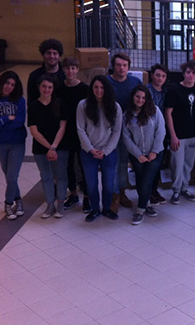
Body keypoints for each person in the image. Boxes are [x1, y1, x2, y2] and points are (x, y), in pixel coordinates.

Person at [76, 76, 122, 222]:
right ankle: (95, 209)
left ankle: (107, 209)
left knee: (108, 185)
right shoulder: (83, 105)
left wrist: (106, 151)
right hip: (88, 152)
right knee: (91, 185)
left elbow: (116, 132)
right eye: (96, 87)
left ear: (107, 89)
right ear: (92, 89)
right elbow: (80, 129)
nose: (99, 90)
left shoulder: (115, 107)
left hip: (108, 152)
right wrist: (90, 149)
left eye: (102, 87)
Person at [0, 71, 27, 220]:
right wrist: (7, 118)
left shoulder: (20, 101)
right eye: (7, 83)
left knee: (11, 176)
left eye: (13, 85)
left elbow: (19, 122)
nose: (9, 87)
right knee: (10, 177)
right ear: (1, 83)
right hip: (0, 143)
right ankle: (19, 201)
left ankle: (8, 204)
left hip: (17, 143)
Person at [122, 86, 166, 225]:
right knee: (140, 180)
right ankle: (146, 204)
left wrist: (154, 151)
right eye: (137, 97)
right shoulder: (127, 115)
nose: (140, 100)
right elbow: (126, 137)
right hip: (137, 155)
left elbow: (161, 132)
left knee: (147, 180)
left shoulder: (155, 111)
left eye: (143, 97)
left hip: (155, 153)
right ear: (132, 98)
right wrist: (138, 154)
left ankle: (139, 211)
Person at [28, 75, 69, 219]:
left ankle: (61, 205)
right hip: (40, 149)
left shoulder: (60, 104)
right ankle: (50, 205)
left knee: (61, 176)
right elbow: (34, 131)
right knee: (46, 177)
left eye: (50, 87)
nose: (46, 89)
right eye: (44, 86)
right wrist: (49, 148)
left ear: (53, 89)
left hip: (60, 147)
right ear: (39, 87)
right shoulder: (33, 106)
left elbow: (62, 127)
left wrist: (54, 147)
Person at [165, 59, 195, 204]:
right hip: (178, 136)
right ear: (183, 73)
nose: (191, 75)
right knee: (177, 163)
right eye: (188, 72)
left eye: (194, 73)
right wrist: (173, 136)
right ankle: (175, 190)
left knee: (188, 164)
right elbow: (168, 113)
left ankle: (184, 188)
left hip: (193, 135)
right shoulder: (174, 90)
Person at [107, 52, 142, 210]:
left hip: (128, 130)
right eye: (118, 65)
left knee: (123, 163)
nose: (121, 68)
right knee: (111, 163)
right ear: (113, 66)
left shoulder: (135, 82)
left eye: (125, 65)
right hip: (109, 131)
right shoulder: (106, 82)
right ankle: (113, 195)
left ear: (128, 66)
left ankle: (122, 192)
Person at [60, 57, 90, 213]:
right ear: (63, 70)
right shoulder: (59, 88)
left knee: (84, 164)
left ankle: (86, 197)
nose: (70, 71)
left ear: (78, 69)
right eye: (67, 68)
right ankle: (72, 194)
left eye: (73, 68)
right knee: (68, 165)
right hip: (65, 133)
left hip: (81, 132)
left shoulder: (84, 89)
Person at [147, 63, 169, 205]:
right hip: (148, 133)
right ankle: (146, 193)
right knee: (148, 165)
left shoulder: (166, 92)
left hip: (162, 133)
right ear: (152, 75)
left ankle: (154, 191)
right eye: (158, 75)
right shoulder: (146, 91)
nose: (160, 78)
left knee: (157, 164)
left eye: (163, 76)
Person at [27, 38, 66, 103]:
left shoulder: (66, 76)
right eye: (48, 53)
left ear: (60, 56)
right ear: (43, 55)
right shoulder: (34, 76)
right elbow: (31, 102)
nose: (52, 56)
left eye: (55, 53)